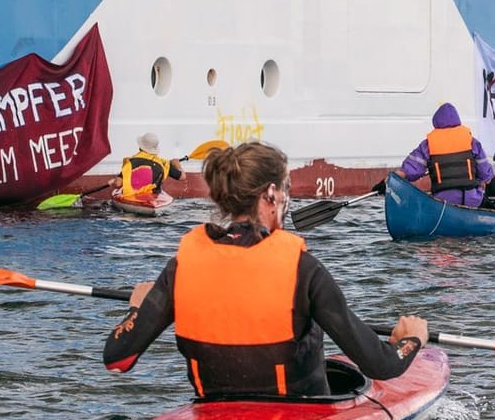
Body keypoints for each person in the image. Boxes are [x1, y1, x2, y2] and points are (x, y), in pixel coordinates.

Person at [103, 141, 427, 399]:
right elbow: (382, 365)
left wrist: (137, 309)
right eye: (285, 188)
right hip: (299, 419)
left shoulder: (182, 265)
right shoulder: (302, 268)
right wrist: (411, 340)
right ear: (271, 194)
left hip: (217, 416)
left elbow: (117, 358)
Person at [398, 102, 493, 208]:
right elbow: (485, 174)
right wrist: (483, 181)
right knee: (488, 204)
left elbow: (410, 169)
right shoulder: (472, 142)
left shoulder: (428, 144)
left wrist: (392, 179)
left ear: (436, 122)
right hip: (472, 199)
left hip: (443, 201)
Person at [118, 132, 182, 208]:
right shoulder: (164, 164)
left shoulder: (131, 162)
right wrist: (177, 164)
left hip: (132, 195)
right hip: (154, 197)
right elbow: (182, 177)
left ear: (140, 147)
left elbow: (118, 184)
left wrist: (113, 182)